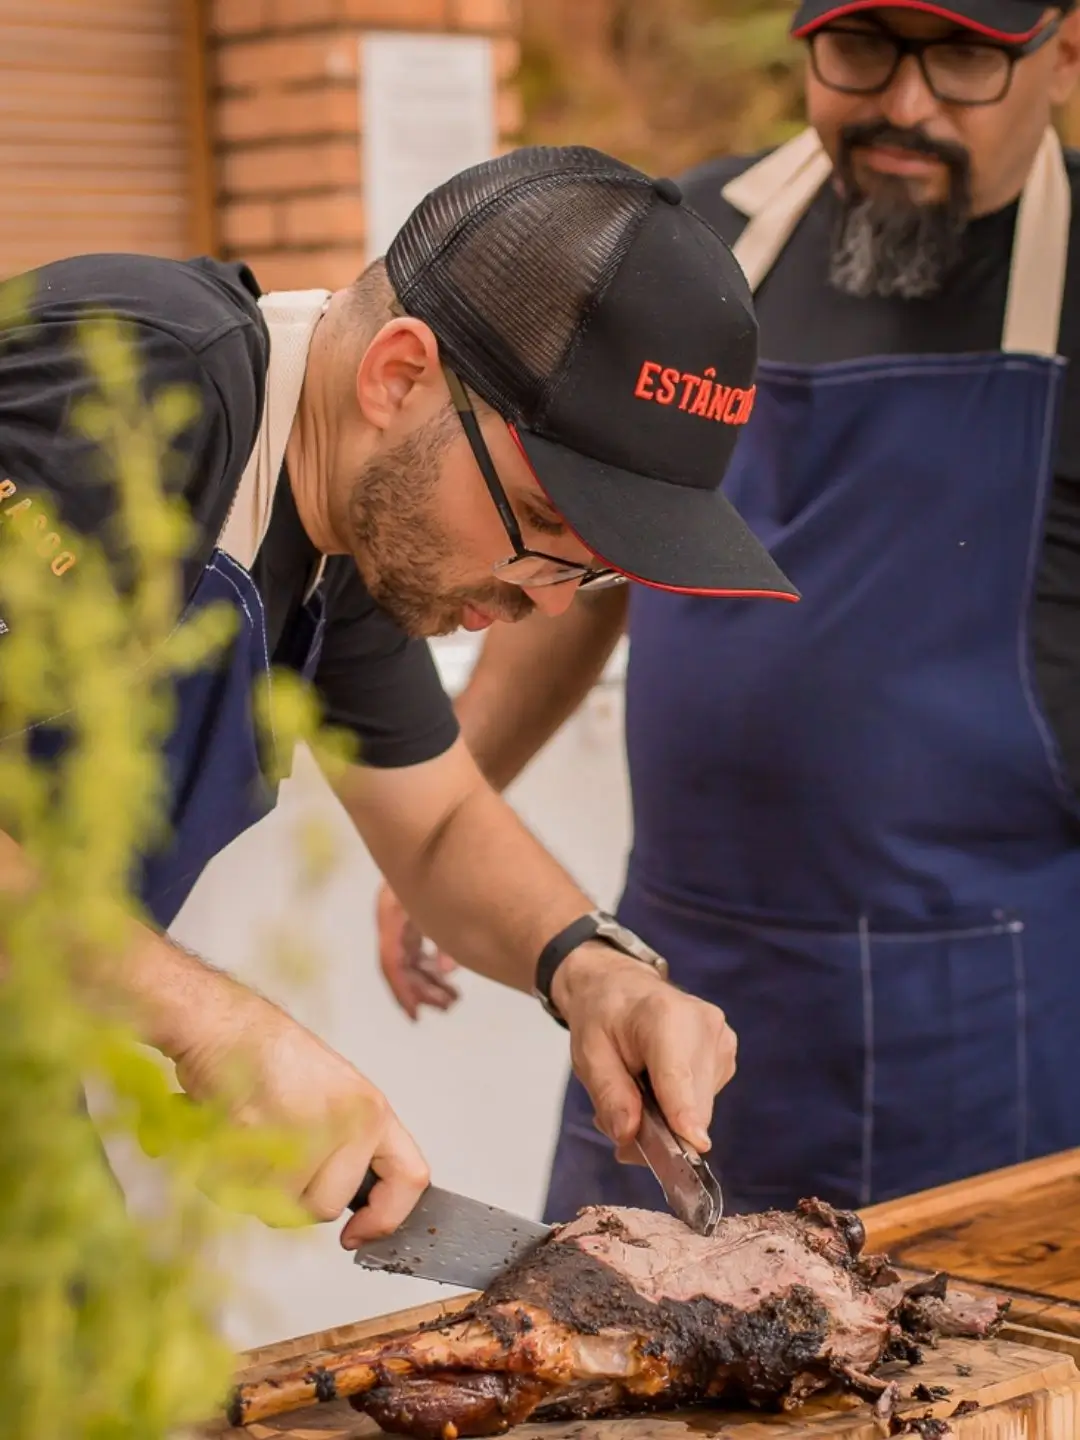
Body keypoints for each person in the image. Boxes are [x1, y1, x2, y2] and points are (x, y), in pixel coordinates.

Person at [0, 146, 793, 1245]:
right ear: (398, 376)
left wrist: (594, 972)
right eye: (540, 524)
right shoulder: (137, 391)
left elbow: (438, 823)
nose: (553, 605)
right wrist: (209, 1021)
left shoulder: (356, 518)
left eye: (594, 569)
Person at [377, 2, 1080, 1220]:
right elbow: (591, 547)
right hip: (673, 990)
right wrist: (454, 816)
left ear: (1063, 49)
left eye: (965, 58)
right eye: (863, 50)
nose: (907, 107)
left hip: (984, 1025)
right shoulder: (691, 245)